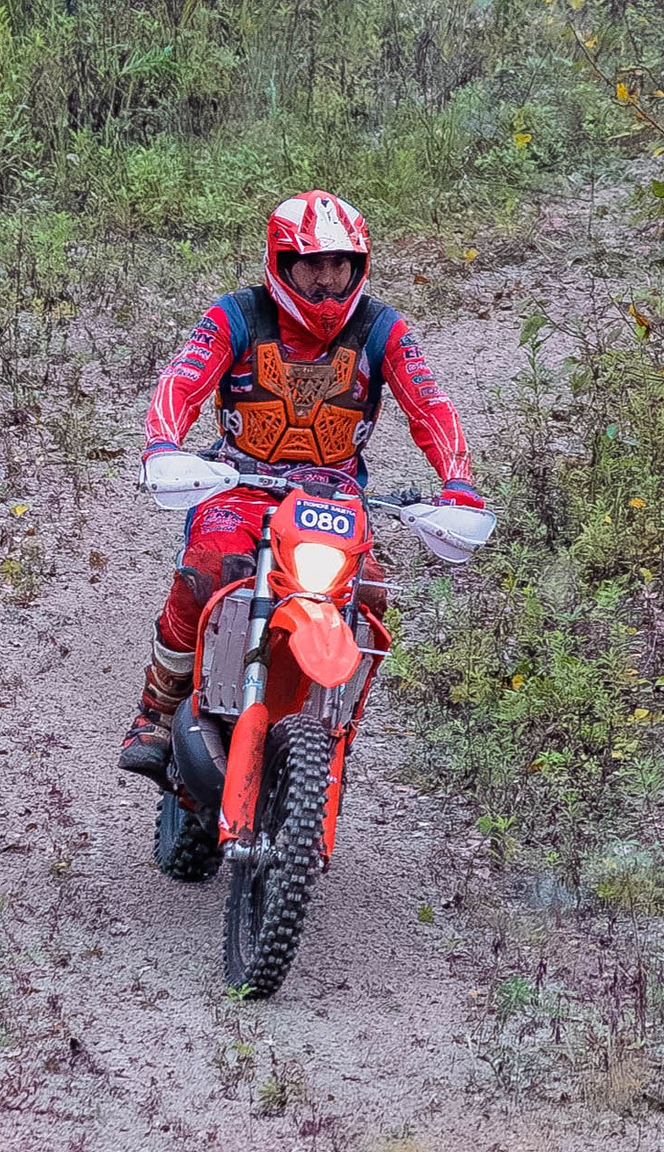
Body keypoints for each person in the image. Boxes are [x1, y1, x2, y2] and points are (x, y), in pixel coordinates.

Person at [119, 191, 486, 781]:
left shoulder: (380, 328)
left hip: (334, 493)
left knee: (369, 596)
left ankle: (336, 731)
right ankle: (156, 711)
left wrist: (458, 482)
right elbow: (180, 383)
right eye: (311, 265)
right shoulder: (236, 316)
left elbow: (430, 404)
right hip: (241, 481)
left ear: (357, 266)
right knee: (205, 569)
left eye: (339, 265)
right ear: (282, 262)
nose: (326, 281)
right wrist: (163, 444)